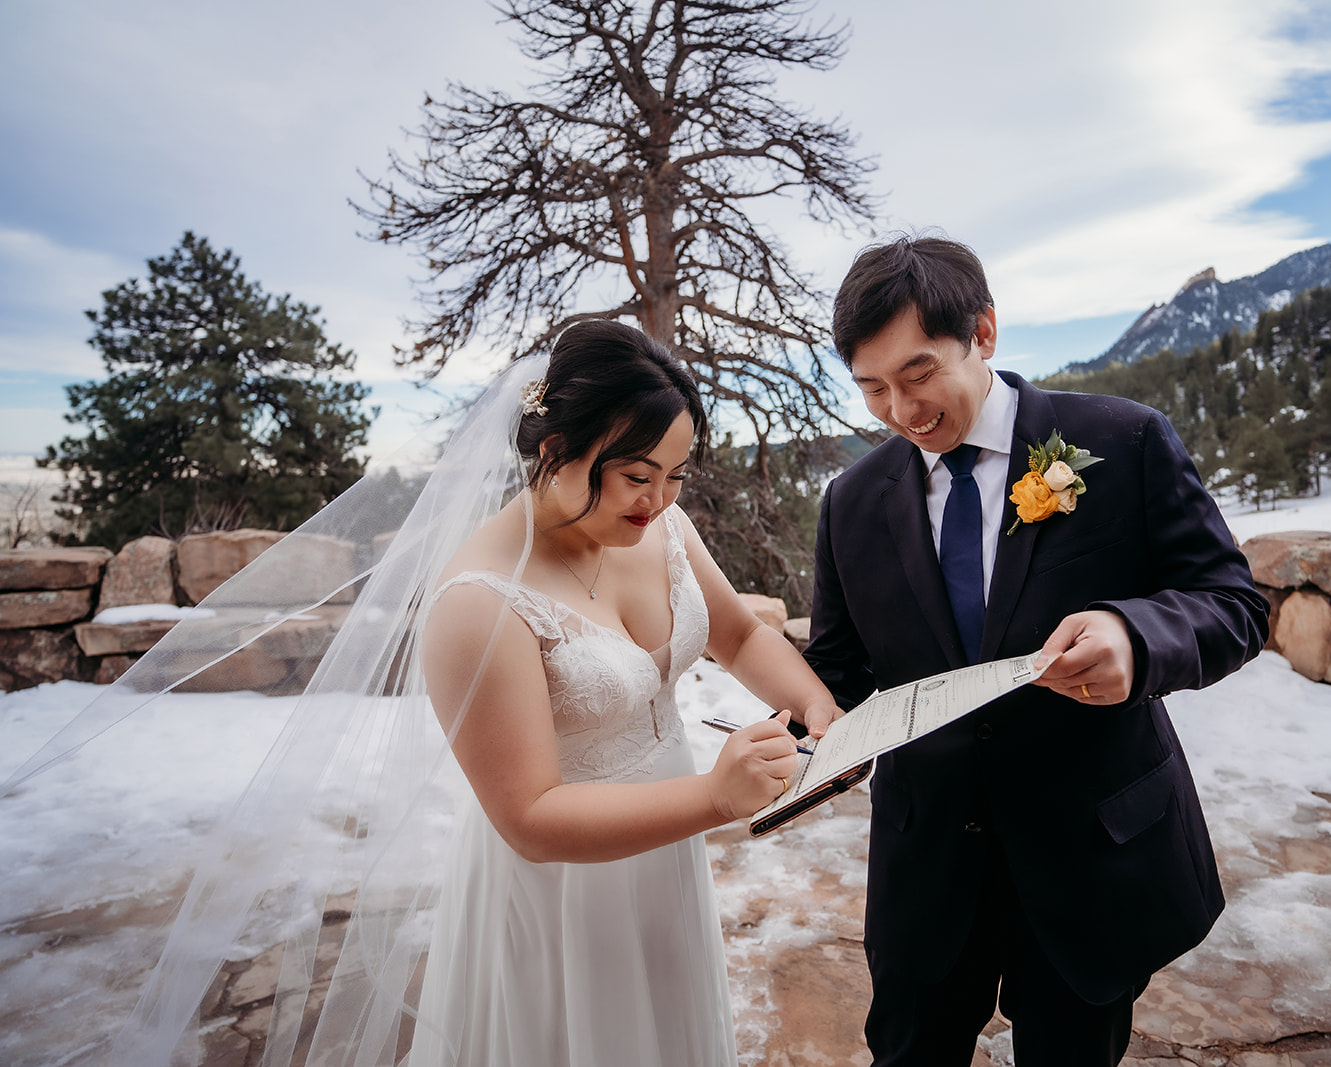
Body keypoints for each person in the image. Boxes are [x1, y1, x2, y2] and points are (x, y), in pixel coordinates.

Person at [1, 321, 840, 1067]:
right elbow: (531, 819)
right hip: (563, 891)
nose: (659, 500)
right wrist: (713, 796)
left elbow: (735, 634)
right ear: (555, 450)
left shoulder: (662, 526)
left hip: (663, 853)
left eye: (677, 473)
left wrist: (817, 710)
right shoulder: (478, 600)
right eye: (634, 476)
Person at [802, 236, 1270, 1065]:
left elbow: (1234, 605)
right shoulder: (849, 503)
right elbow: (837, 673)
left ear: (983, 332)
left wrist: (1136, 634)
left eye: (918, 374)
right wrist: (803, 735)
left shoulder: (1123, 442)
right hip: (927, 862)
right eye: (873, 388)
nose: (902, 413)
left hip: (1090, 852)